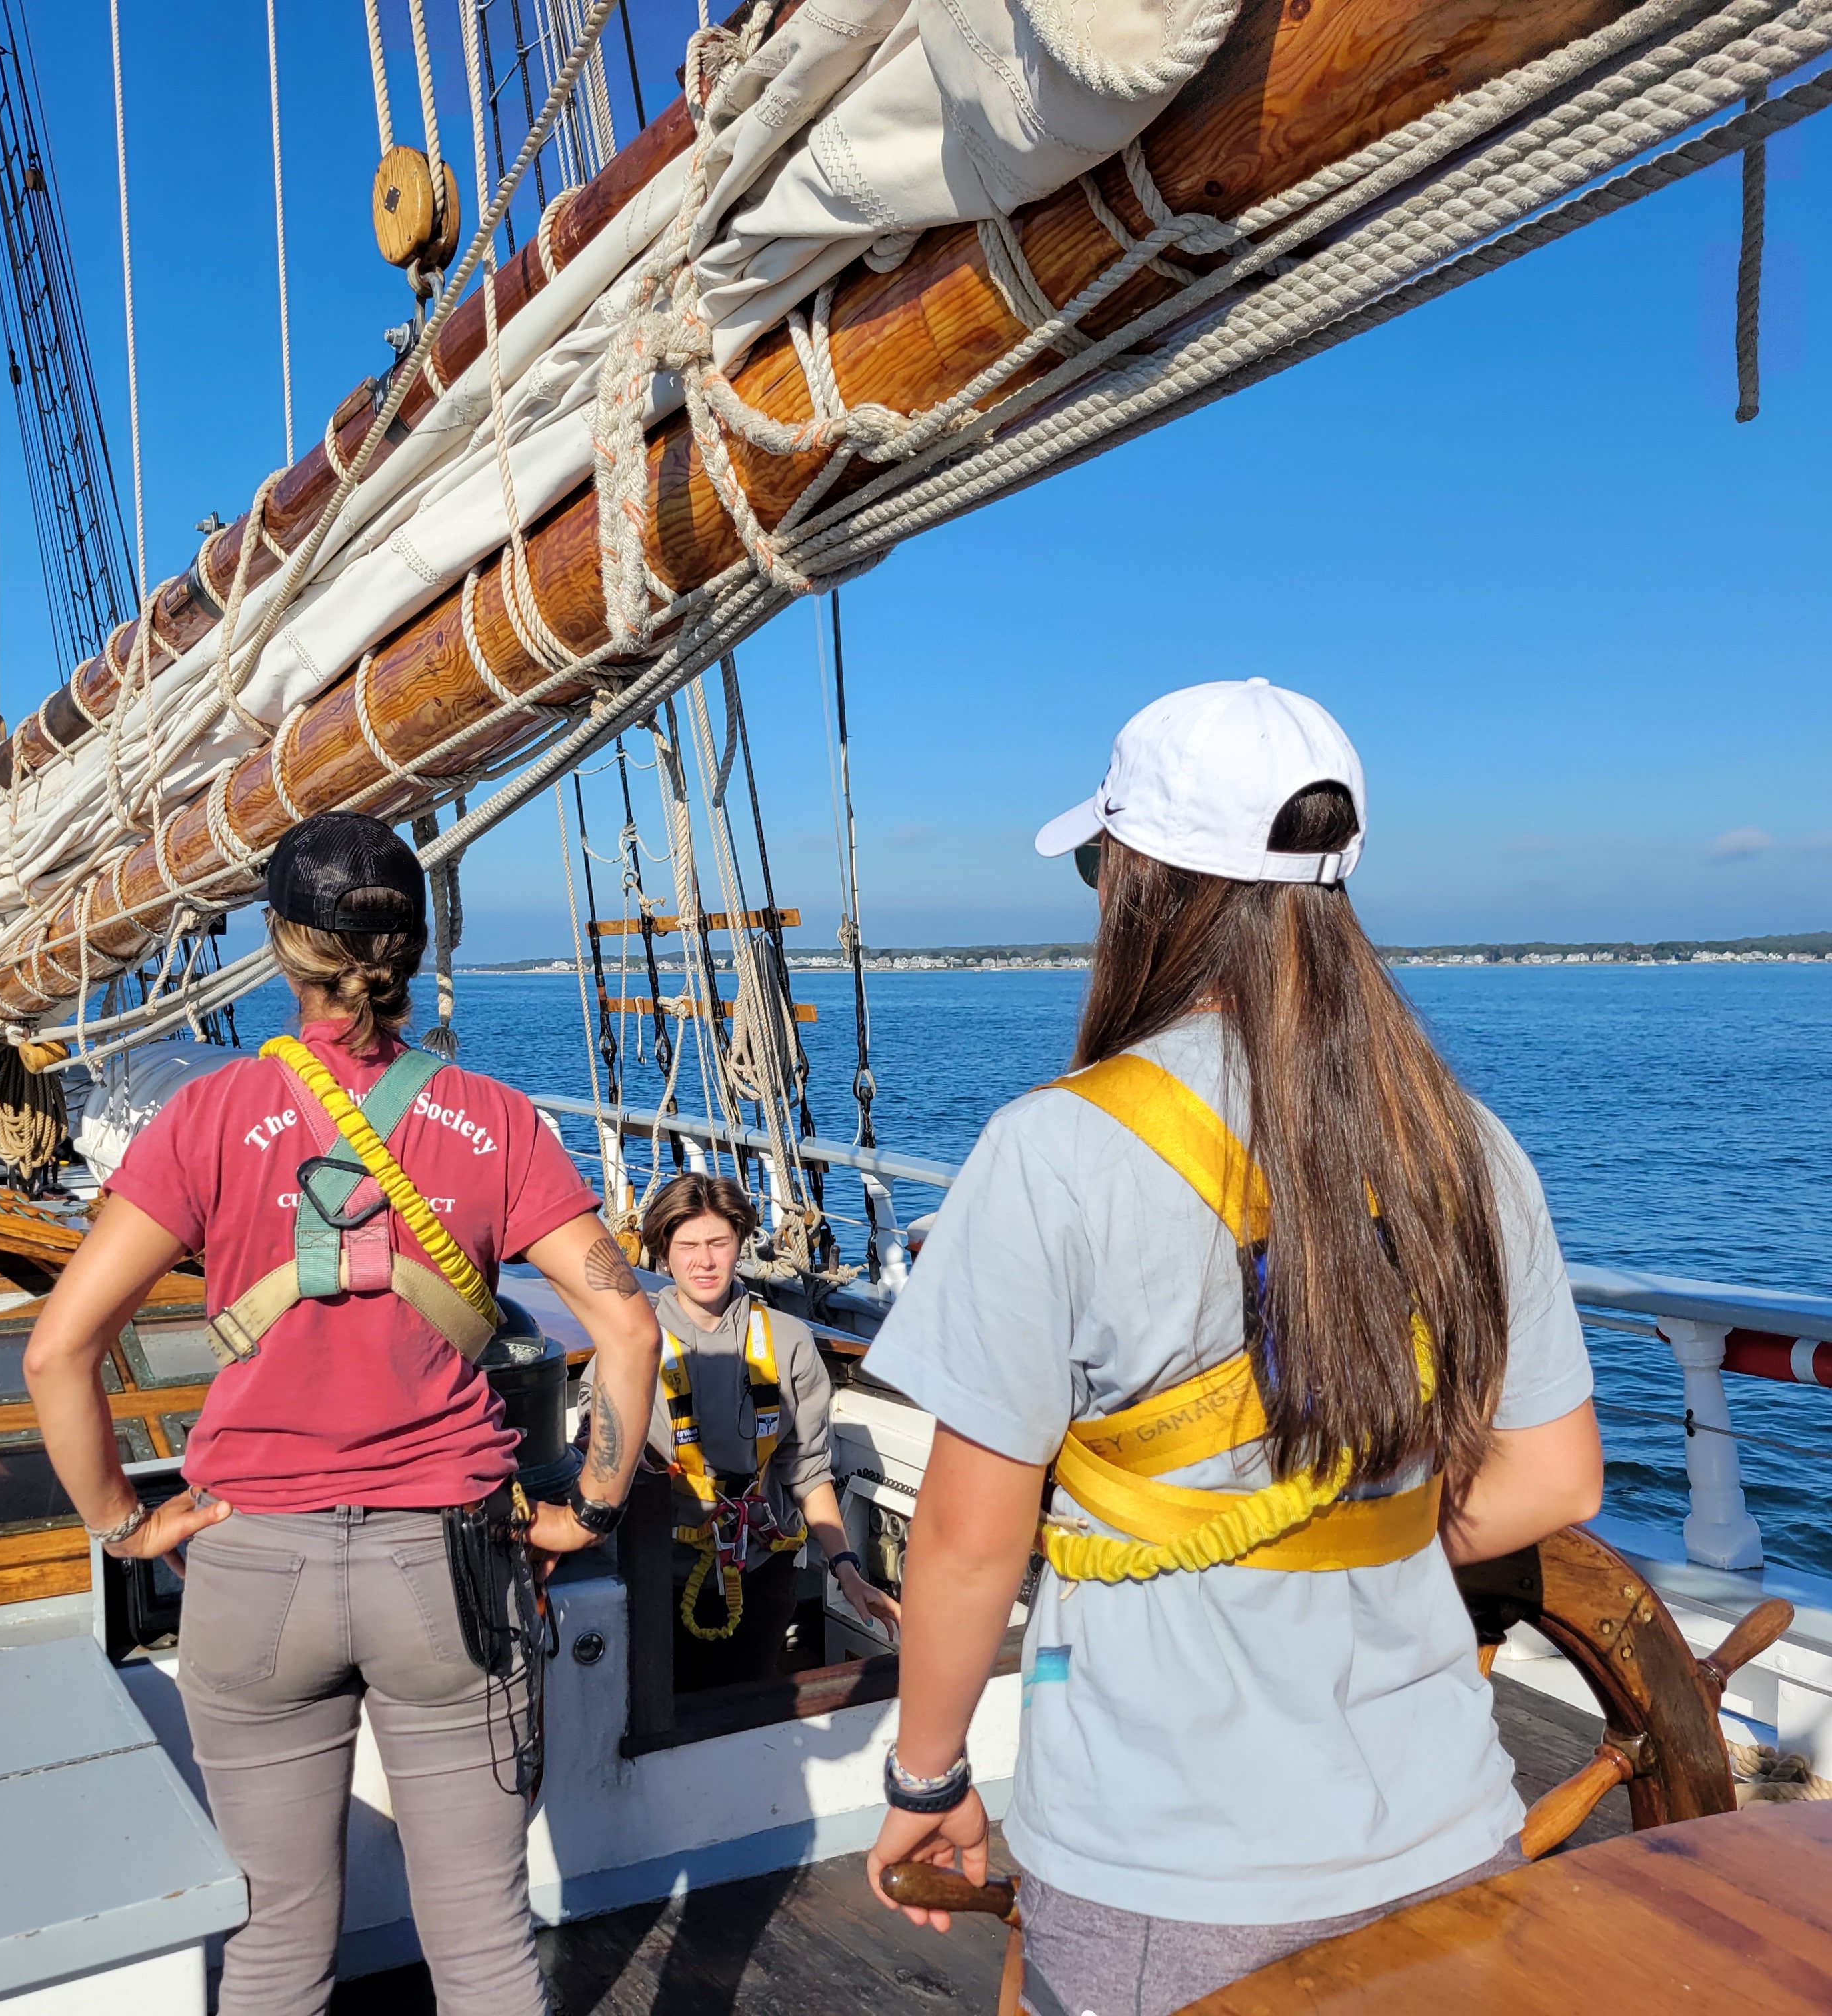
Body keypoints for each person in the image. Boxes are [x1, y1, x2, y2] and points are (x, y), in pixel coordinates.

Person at [861, 680, 1603, 2016]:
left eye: (1099, 862)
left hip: (1171, 1874)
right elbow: (1557, 1483)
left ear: (1142, 882)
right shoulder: (1466, 1145)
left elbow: (970, 1540)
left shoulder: (1055, 1151)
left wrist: (926, 1779)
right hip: (1449, 1828)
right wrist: (1333, 1548)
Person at [23, 811, 663, 2016]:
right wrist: (589, 1501)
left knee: (272, 1950)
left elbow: (59, 1348)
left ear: (279, 944)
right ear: (417, 945)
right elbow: (627, 1325)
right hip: (455, 1572)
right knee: (482, 1948)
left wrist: (125, 1522)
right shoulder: (497, 1118)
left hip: (252, 1564)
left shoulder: (204, 1118)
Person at [637, 1173, 902, 1691]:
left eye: (719, 1243)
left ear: (741, 1244)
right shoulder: (632, 1343)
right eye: (687, 1245)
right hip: (656, 1576)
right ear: (664, 1253)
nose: (705, 1261)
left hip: (761, 1574)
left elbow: (806, 1472)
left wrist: (848, 1570)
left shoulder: (789, 1342)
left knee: (747, 1708)